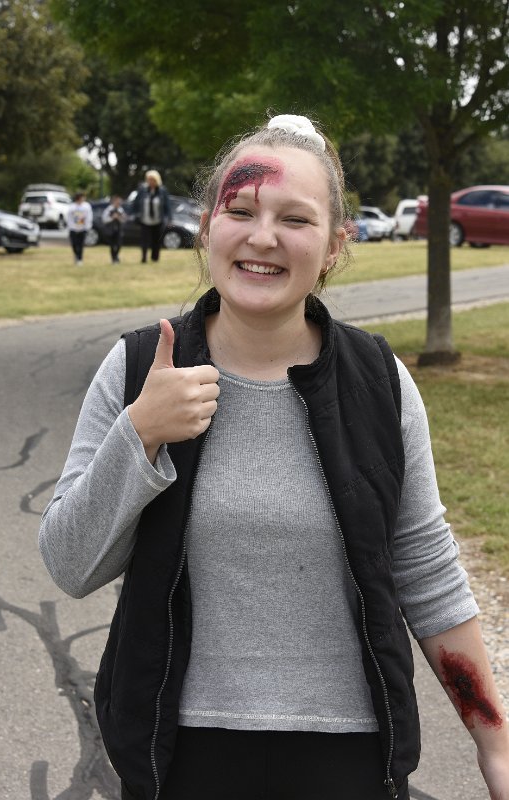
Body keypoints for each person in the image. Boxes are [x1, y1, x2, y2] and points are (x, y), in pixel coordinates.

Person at [39, 114, 509, 800]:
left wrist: (495, 741)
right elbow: (69, 563)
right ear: (207, 225)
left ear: (333, 246)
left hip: (348, 758)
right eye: (240, 211)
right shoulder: (139, 367)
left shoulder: (379, 382)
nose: (262, 238)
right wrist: (140, 433)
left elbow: (427, 569)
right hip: (180, 756)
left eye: (295, 219)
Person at [132, 169, 172, 263]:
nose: (150, 182)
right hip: (145, 220)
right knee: (144, 240)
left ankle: (155, 258)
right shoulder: (142, 190)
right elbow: (136, 203)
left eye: (152, 180)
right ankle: (144, 258)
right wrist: (136, 214)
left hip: (158, 221)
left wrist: (168, 218)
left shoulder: (162, 191)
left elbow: (167, 206)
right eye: (149, 179)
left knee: (156, 240)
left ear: (157, 180)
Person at [66, 191, 93, 266]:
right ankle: (76, 256)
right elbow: (69, 218)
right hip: (73, 229)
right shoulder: (72, 207)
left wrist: (88, 226)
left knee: (81, 244)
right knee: (74, 244)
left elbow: (89, 217)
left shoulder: (86, 206)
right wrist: (71, 227)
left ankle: (80, 259)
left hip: (82, 228)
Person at [102, 195, 127, 264]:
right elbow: (104, 220)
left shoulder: (120, 210)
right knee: (112, 245)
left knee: (119, 244)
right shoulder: (109, 209)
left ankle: (116, 256)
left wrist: (119, 218)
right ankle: (114, 258)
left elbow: (124, 220)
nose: (119, 203)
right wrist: (112, 218)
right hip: (111, 230)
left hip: (119, 229)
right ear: (114, 201)